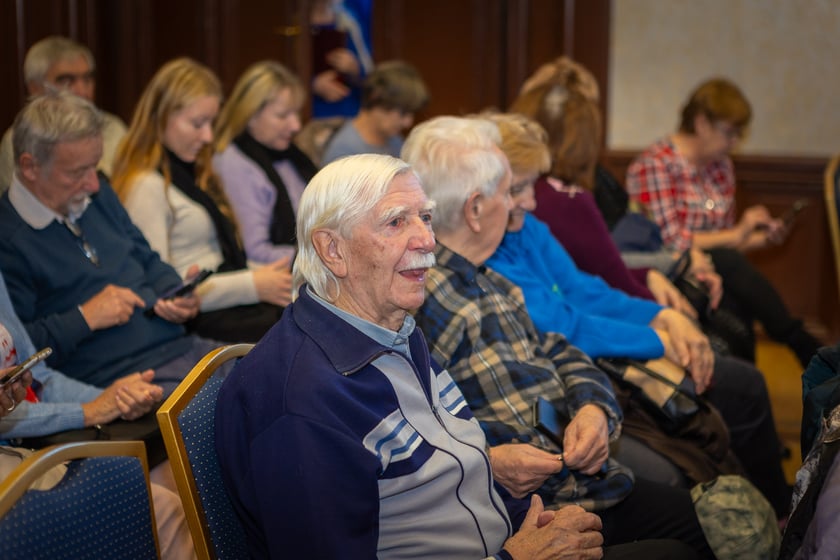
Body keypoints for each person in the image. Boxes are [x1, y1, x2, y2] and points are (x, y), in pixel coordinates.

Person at [215, 153, 700, 559]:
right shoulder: (302, 403)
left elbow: (430, 485)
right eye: (395, 222)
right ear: (332, 251)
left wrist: (521, 509)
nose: (427, 240)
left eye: (424, 217)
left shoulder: (394, 330)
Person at [401, 117, 724, 556]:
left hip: (575, 476)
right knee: (691, 534)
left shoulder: (486, 279)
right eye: (509, 192)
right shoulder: (423, 301)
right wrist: (490, 464)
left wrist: (593, 407)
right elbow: (415, 442)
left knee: (705, 519)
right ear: (475, 209)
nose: (524, 204)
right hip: (531, 508)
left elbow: (562, 346)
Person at [478, 112, 791, 517]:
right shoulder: (491, 255)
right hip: (580, 373)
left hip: (594, 359)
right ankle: (769, 517)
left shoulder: (527, 227)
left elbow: (585, 289)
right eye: (517, 188)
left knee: (733, 388)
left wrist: (661, 316)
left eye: (528, 185)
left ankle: (767, 515)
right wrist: (661, 337)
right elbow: (568, 325)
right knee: (735, 395)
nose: (533, 200)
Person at [0, 89, 222, 395]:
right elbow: (15, 354)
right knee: (247, 402)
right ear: (30, 167)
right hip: (119, 380)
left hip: (181, 347)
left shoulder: (97, 194)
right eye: (78, 172)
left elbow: (147, 258)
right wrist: (84, 317)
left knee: (280, 371)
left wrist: (173, 292)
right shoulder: (9, 240)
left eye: (95, 166)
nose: (93, 183)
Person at [625, 78, 822, 366]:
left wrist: (759, 239)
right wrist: (738, 233)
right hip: (667, 271)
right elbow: (671, 242)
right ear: (702, 123)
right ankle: (800, 342)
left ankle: (764, 375)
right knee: (727, 271)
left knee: (734, 291)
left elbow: (727, 247)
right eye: (729, 132)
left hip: (716, 272)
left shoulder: (721, 167)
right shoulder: (655, 165)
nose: (734, 142)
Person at [0, 271, 196, 560]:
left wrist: (111, 398)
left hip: (22, 443)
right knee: (157, 511)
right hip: (15, 454)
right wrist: (87, 412)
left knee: (168, 509)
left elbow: (39, 378)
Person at [112, 58, 290, 343]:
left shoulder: (192, 173)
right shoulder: (146, 186)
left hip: (222, 302)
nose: (208, 136)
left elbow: (219, 259)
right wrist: (252, 284)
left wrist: (264, 275)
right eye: (197, 123)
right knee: (294, 332)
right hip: (194, 320)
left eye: (211, 123)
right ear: (161, 118)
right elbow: (159, 290)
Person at [213, 60, 319, 266]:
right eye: (282, 115)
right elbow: (254, 250)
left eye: (296, 113)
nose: (296, 125)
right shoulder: (233, 162)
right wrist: (321, 260)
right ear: (250, 115)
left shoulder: (289, 155)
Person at [0, 35, 127, 191]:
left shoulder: (113, 128)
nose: (82, 91)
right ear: (34, 88)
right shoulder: (16, 139)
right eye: (66, 81)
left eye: (87, 79)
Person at [321, 60, 429, 165]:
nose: (408, 122)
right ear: (377, 97)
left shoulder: (396, 142)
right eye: (403, 112)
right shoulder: (344, 154)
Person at [309, 0, 374, 119]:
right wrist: (312, 84)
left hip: (348, 111)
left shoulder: (349, 18)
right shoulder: (290, 19)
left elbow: (371, 75)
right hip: (308, 112)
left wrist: (354, 69)